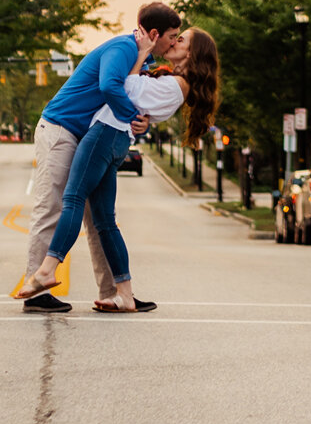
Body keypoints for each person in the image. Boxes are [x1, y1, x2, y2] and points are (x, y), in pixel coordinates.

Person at [16, 27, 220, 313]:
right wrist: (143, 117)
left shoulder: (165, 77)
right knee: (100, 220)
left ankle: (47, 271)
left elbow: (124, 89)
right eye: (173, 36)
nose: (174, 41)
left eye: (181, 38)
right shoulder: (145, 61)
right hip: (89, 133)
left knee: (74, 202)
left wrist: (141, 59)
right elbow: (139, 100)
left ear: (193, 53)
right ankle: (121, 293)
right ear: (153, 32)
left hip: (103, 135)